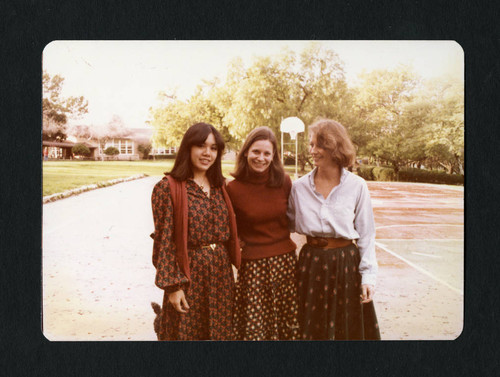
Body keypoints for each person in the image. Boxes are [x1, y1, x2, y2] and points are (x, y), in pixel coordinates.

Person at [287, 118, 380, 340]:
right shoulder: (299, 188)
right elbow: (285, 226)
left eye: (319, 145)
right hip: (311, 264)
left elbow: (366, 234)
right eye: (311, 144)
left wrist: (368, 277)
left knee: (345, 331)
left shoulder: (357, 186)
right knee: (310, 329)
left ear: (334, 147)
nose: (312, 150)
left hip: (345, 265)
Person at [151, 122, 240, 340]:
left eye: (213, 148)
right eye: (201, 146)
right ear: (188, 148)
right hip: (188, 278)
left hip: (220, 277)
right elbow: (164, 242)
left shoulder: (221, 188)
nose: (207, 153)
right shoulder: (168, 188)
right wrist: (173, 286)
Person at [226, 126, 299, 340]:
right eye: (256, 152)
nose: (261, 158)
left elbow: (293, 220)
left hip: (285, 266)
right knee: (255, 329)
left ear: (274, 156)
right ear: (246, 152)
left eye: (267, 153)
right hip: (252, 269)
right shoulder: (233, 189)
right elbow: (230, 229)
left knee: (287, 325)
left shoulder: (284, 182)